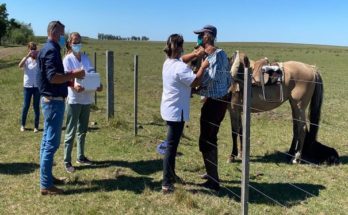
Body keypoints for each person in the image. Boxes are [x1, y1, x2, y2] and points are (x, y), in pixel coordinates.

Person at [37, 21, 85, 195]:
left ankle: (47, 178)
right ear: (54, 31)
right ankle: (46, 185)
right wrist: (75, 74)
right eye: (63, 33)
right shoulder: (51, 50)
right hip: (53, 102)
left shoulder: (47, 48)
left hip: (50, 100)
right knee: (51, 143)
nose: (65, 37)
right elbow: (53, 77)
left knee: (46, 142)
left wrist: (70, 81)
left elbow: (57, 77)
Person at [160, 34, 207, 193]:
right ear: (180, 48)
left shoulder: (168, 63)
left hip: (169, 108)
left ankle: (171, 176)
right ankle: (166, 183)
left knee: (171, 146)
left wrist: (195, 54)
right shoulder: (180, 68)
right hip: (176, 111)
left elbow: (182, 60)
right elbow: (195, 82)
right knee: (171, 147)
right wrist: (203, 66)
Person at [193, 25, 232, 191]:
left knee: (207, 139)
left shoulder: (214, 56)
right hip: (221, 100)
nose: (199, 39)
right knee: (210, 137)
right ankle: (211, 173)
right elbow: (228, 78)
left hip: (214, 102)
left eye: (201, 35)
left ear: (208, 37)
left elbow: (210, 78)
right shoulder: (221, 54)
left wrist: (194, 87)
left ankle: (213, 180)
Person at [63, 32, 102, 173]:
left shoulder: (85, 58)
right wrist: (74, 85)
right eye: (75, 42)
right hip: (74, 99)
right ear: (69, 43)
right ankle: (67, 161)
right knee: (71, 130)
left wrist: (98, 84)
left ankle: (80, 156)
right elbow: (66, 78)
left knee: (82, 130)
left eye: (79, 41)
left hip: (86, 99)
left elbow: (91, 73)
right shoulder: (67, 59)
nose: (77, 44)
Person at [18, 42, 40, 133]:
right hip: (27, 86)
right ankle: (22, 125)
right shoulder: (26, 59)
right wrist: (27, 56)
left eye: (34, 49)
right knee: (26, 106)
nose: (33, 51)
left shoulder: (39, 59)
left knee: (36, 106)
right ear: (29, 49)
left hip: (37, 86)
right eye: (31, 49)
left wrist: (39, 56)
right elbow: (20, 65)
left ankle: (36, 126)